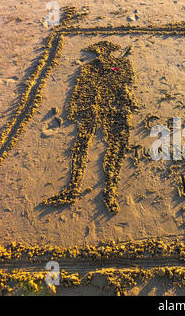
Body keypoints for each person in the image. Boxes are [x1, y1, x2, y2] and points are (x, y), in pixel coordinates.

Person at [44, 41, 138, 213]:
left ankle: (110, 190)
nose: (101, 54)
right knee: (80, 147)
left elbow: (126, 78)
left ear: (111, 51)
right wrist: (74, 108)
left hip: (116, 109)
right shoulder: (88, 68)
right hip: (91, 111)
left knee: (115, 149)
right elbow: (80, 89)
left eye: (105, 51)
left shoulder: (121, 64)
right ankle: (72, 189)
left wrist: (112, 70)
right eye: (98, 51)